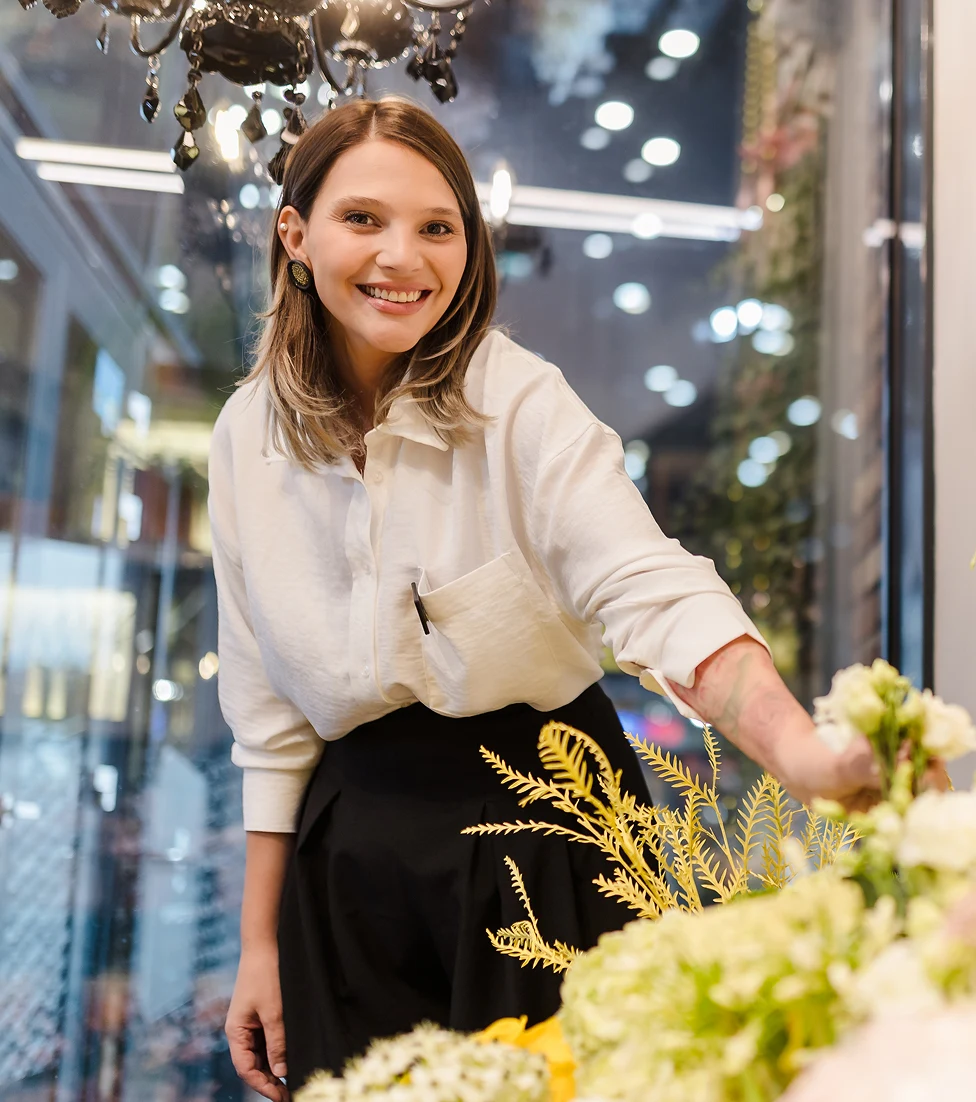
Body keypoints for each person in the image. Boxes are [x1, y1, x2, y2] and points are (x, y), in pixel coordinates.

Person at [215, 97, 878, 1101]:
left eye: (438, 227)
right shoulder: (243, 436)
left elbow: (648, 586)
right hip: (350, 855)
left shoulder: (518, 399)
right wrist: (258, 942)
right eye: (363, 219)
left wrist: (805, 755)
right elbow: (268, 717)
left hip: (543, 825)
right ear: (294, 235)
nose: (405, 256)